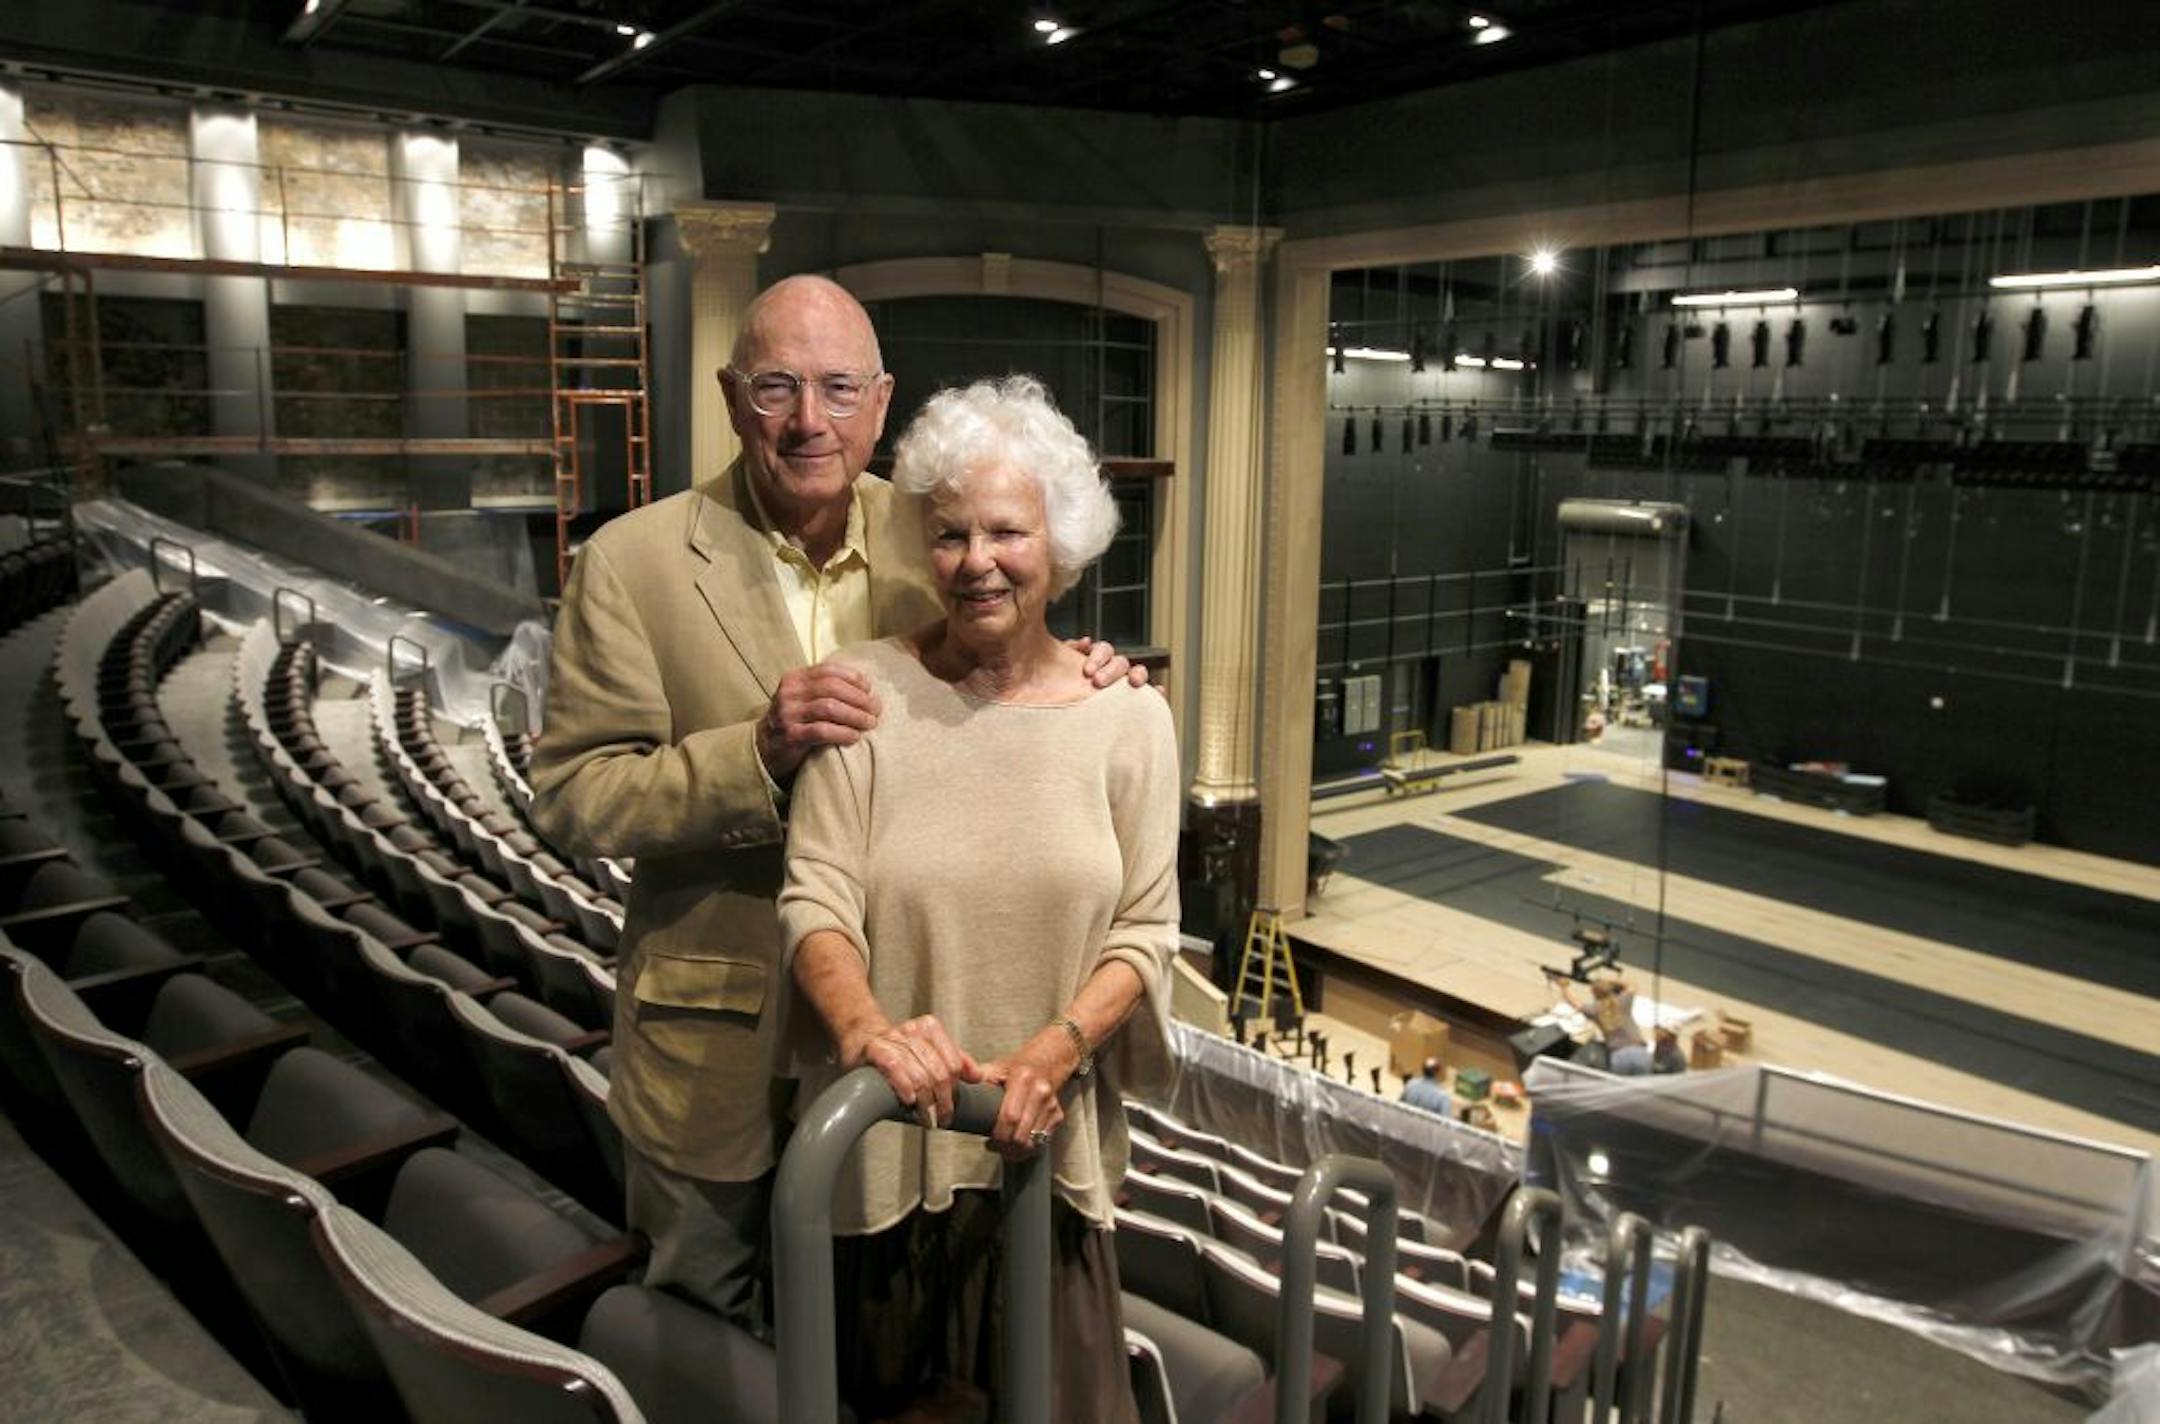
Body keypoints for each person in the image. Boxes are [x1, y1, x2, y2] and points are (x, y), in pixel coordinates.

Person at [528, 276, 1136, 1330]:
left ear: (881, 399)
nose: (810, 418)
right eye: (777, 386)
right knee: (705, 1332)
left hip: (905, 1037)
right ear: (730, 396)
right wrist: (755, 752)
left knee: (862, 1347)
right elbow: (574, 798)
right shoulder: (631, 562)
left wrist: (1086, 668)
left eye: (839, 386)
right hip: (719, 1045)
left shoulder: (933, 535)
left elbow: (1007, 659)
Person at [779, 375, 1176, 1422]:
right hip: (883, 1174)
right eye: (950, 533)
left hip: (1050, 1171)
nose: (977, 561)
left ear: (1062, 542)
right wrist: (871, 1033)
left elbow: (1144, 930)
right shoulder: (861, 692)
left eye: (1007, 531)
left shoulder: (1128, 718)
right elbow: (813, 900)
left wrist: (1051, 1052)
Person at [1550, 971, 1653, 1075]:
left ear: (1595, 995)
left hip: (1618, 1054)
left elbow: (1573, 1001)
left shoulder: (1594, 1010)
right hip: (1639, 1051)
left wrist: (1564, 986)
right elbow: (1632, 985)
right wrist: (1609, 980)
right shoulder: (1622, 1002)